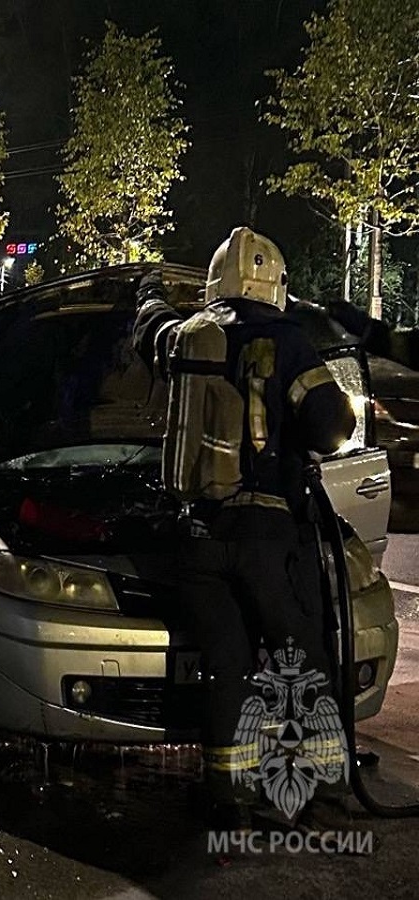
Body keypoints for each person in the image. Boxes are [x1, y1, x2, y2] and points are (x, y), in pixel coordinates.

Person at [132, 227, 356, 832]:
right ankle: (324, 784)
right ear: (275, 284)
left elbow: (146, 329)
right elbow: (332, 426)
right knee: (299, 660)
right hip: (268, 535)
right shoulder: (288, 340)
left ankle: (227, 793)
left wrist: (149, 292)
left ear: (214, 284)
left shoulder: (188, 337)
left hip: (198, 537)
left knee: (225, 666)